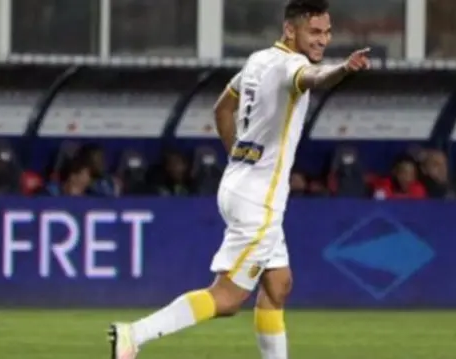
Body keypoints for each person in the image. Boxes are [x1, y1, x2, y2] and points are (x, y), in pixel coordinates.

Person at [108, 1, 370, 358]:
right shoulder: (293, 66)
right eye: (315, 32)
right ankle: (134, 334)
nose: (322, 39)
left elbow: (222, 108)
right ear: (290, 30)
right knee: (228, 297)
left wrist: (239, 154)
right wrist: (344, 68)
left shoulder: (257, 61)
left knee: (278, 285)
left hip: (239, 184)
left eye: (327, 32)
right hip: (259, 200)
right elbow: (316, 77)